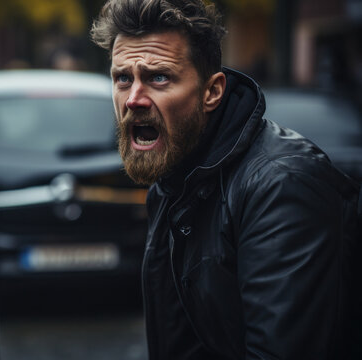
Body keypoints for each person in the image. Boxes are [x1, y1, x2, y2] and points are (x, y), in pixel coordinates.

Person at [91, 0, 360, 358]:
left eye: (159, 77)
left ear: (212, 92)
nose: (134, 99)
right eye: (123, 78)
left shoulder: (281, 184)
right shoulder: (173, 181)